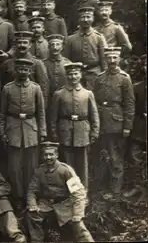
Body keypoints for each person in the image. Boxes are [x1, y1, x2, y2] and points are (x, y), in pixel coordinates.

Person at [0, 58, 46, 211]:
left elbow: (41, 113)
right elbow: (2, 113)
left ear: (30, 71)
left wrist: (42, 132)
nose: (23, 72)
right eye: (20, 69)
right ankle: (18, 198)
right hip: (13, 130)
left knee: (31, 167)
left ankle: (30, 197)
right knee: (14, 168)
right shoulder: (7, 89)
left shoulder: (36, 88)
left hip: (31, 130)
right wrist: (2, 132)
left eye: (26, 70)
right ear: (15, 70)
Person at [26, 142, 94, 242]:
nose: (48, 157)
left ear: (56, 155)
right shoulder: (39, 171)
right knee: (32, 215)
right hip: (46, 204)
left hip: (65, 204)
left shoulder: (65, 170)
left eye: (51, 154)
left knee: (78, 225)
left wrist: (78, 213)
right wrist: (32, 204)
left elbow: (78, 193)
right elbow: (32, 190)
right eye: (46, 155)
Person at [49, 62, 100, 189]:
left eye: (76, 73)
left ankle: (83, 191)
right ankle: (70, 191)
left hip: (82, 132)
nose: (73, 77)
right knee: (67, 164)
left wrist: (94, 132)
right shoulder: (59, 94)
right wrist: (55, 134)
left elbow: (94, 115)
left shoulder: (88, 94)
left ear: (80, 75)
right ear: (67, 75)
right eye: (70, 74)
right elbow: (53, 117)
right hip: (65, 132)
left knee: (82, 165)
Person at [93, 46, 135, 197]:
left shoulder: (124, 78)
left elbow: (130, 104)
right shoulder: (100, 78)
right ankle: (100, 187)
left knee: (115, 157)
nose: (111, 61)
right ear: (105, 59)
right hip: (101, 122)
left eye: (114, 58)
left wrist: (127, 127)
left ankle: (115, 190)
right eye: (109, 58)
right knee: (102, 156)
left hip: (116, 123)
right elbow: (95, 101)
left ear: (119, 59)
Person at [0, 31, 49, 107]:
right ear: (15, 45)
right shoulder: (7, 64)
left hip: (31, 106)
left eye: (25, 43)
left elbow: (44, 88)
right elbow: (2, 87)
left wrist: (42, 107)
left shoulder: (37, 64)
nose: (22, 45)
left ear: (30, 45)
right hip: (12, 106)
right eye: (19, 43)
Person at [63, 6, 107, 90]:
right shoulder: (71, 39)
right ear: (78, 20)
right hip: (76, 75)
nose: (85, 20)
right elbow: (66, 60)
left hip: (95, 73)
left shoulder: (99, 37)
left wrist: (104, 76)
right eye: (83, 17)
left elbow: (104, 60)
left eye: (88, 17)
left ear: (93, 18)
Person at [123, 54, 147, 199]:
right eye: (145, 65)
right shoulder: (136, 87)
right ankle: (138, 187)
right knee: (134, 157)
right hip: (140, 129)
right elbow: (131, 107)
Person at [43, 34, 71, 106]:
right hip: (48, 99)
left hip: (64, 98)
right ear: (48, 47)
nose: (55, 47)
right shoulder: (42, 64)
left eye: (58, 44)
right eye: (52, 45)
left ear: (62, 47)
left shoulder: (67, 63)